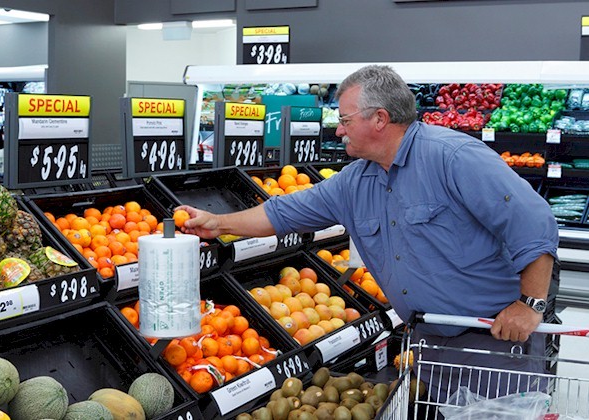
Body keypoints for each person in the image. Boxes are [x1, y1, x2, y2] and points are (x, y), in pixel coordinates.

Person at [178, 65, 559, 411]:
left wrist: (530, 304)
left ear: (380, 118)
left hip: (492, 341)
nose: (338, 129)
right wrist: (218, 223)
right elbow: (283, 212)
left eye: (345, 119)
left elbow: (533, 222)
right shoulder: (356, 180)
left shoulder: (454, 157)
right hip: (427, 342)